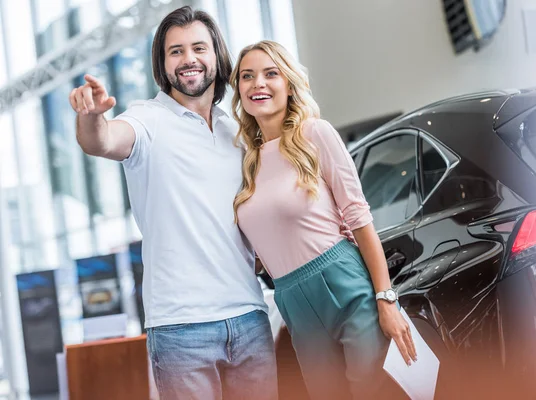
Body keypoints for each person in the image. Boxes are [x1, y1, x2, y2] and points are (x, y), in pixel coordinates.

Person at [69, 7, 277, 400]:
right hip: (182, 330)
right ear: (163, 65)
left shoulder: (239, 130)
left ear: (216, 54)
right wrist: (92, 116)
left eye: (198, 47)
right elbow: (101, 141)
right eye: (175, 51)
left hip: (250, 316)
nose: (189, 59)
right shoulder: (147, 120)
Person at [231, 40, 418, 400]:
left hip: (342, 281)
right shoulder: (246, 162)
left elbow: (359, 217)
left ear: (288, 83)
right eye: (247, 76)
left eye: (271, 74)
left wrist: (386, 299)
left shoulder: (315, 134)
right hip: (290, 298)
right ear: (238, 90)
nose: (258, 84)